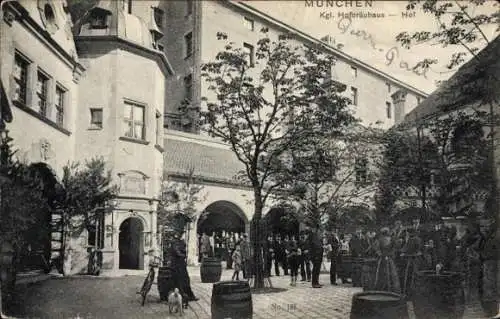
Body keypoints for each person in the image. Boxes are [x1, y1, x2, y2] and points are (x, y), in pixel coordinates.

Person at [170, 231, 198, 303]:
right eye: (180, 234)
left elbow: (182, 251)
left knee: (186, 279)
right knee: (179, 280)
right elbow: (177, 252)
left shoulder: (180, 242)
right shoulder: (174, 242)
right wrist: (183, 255)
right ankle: (182, 295)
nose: (181, 235)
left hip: (181, 264)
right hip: (176, 264)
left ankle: (189, 295)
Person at [373, 227, 401, 293]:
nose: (386, 234)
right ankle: (386, 288)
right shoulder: (380, 240)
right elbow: (377, 249)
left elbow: (394, 248)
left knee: (389, 272)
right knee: (385, 272)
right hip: (384, 258)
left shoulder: (390, 239)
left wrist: (388, 254)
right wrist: (383, 255)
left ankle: (389, 289)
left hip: (387, 257)